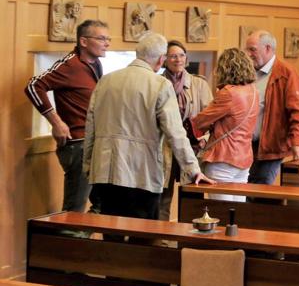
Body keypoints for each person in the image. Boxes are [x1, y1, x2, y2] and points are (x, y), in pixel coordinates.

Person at [83, 32, 212, 220]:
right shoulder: (160, 85)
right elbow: (175, 133)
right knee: (143, 232)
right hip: (142, 173)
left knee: (111, 231)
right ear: (161, 60)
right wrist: (193, 169)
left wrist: (88, 164)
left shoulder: (106, 81)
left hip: (105, 170)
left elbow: (90, 127)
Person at [25, 19, 109, 213]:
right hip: (78, 145)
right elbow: (33, 86)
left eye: (108, 39)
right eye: (101, 38)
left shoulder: (95, 64)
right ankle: (68, 233)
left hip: (94, 143)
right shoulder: (70, 65)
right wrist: (56, 122)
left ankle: (84, 233)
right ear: (84, 41)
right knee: (74, 210)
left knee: (103, 205)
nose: (107, 43)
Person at [190, 48, 259, 202]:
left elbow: (201, 121)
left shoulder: (228, 93)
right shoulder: (253, 91)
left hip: (223, 159)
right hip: (244, 160)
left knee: (221, 211)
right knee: (237, 210)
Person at [243, 30, 299, 185]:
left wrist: (297, 142)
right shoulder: (246, 70)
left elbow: (298, 112)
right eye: (247, 49)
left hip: (271, 147)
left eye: (252, 49)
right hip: (245, 146)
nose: (248, 54)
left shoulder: (286, 73)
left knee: (260, 189)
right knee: (244, 191)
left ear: (268, 49)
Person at [158, 40, 213, 221]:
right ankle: (160, 235)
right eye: (173, 56)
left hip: (191, 148)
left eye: (181, 55)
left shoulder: (199, 84)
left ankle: (190, 234)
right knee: (162, 198)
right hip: (163, 149)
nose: (178, 59)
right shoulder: (157, 82)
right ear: (164, 59)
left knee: (192, 199)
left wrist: (204, 138)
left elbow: (210, 118)